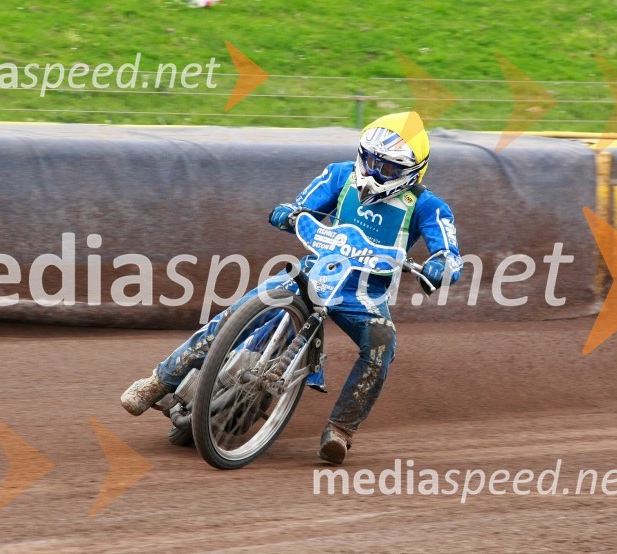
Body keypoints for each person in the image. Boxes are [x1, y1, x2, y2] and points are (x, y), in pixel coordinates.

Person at [121, 111, 462, 464]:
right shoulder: (340, 175)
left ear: (412, 171)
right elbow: (300, 206)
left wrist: (440, 266)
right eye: (370, 160)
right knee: (238, 312)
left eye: (387, 168)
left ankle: (340, 429)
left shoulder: (429, 207)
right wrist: (289, 212)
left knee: (382, 345)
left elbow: (451, 255)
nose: (374, 172)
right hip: (312, 275)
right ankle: (159, 382)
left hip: (364, 297)